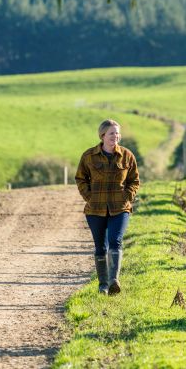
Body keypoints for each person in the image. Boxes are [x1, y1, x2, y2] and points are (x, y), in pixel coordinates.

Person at [75, 119, 140, 295]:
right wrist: (89, 196)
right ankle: (102, 285)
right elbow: (81, 178)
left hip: (120, 209)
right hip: (95, 209)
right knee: (100, 247)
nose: (116, 136)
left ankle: (114, 281)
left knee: (115, 241)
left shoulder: (127, 156)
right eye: (112, 133)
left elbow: (134, 180)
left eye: (118, 133)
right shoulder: (89, 156)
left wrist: (127, 196)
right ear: (103, 136)